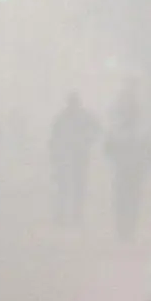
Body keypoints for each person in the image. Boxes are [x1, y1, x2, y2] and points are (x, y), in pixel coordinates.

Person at [103, 101, 151, 242]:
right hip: (122, 172)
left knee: (133, 201)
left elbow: (150, 152)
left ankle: (129, 230)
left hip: (136, 173)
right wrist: (117, 159)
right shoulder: (116, 132)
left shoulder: (142, 133)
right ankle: (122, 230)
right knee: (121, 201)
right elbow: (107, 149)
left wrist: (147, 164)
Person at [48, 93, 101, 227]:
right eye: (71, 103)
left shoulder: (85, 117)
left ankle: (76, 215)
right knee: (64, 187)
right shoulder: (62, 118)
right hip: (65, 157)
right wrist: (54, 155)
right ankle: (62, 215)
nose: (73, 106)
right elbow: (54, 138)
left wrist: (88, 140)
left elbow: (97, 130)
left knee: (78, 186)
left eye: (74, 103)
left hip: (79, 156)